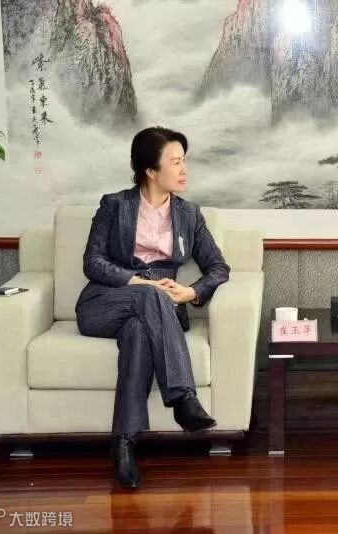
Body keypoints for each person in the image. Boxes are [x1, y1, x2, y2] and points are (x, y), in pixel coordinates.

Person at [76, 127, 230, 489]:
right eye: (175, 162)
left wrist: (190, 293)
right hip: (105, 302)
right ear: (150, 170)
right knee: (149, 296)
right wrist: (139, 283)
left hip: (157, 310)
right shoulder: (114, 205)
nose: (184, 169)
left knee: (138, 334)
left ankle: (124, 444)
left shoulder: (189, 214)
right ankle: (183, 398)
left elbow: (218, 268)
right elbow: (92, 263)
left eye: (184, 161)